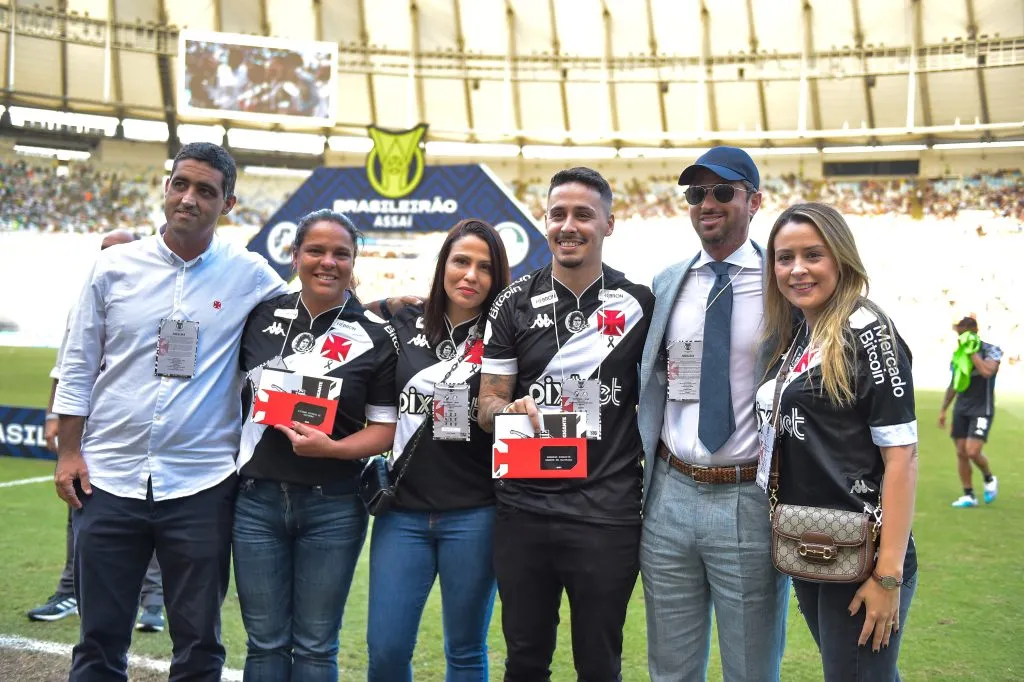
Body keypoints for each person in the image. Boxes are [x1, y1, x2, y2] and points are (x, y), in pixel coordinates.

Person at [52, 142, 289, 681]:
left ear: (227, 204)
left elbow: (308, 313)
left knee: (200, 643)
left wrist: (387, 306)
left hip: (201, 485)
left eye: (206, 191)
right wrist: (69, 452)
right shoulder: (111, 268)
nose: (189, 199)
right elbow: (79, 363)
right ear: (165, 187)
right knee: (98, 639)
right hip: (108, 480)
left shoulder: (249, 273)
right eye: (181, 184)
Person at [478, 167, 654, 681]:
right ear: (545, 222)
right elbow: (488, 401)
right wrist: (504, 411)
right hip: (523, 510)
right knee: (525, 659)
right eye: (558, 214)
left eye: (583, 214)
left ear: (609, 224)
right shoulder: (512, 302)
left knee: (600, 664)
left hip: (606, 514)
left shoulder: (638, 304)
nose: (569, 225)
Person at [637, 146, 788, 681]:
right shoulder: (666, 283)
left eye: (723, 191)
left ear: (755, 201)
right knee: (670, 670)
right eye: (697, 193)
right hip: (669, 494)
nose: (708, 202)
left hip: (749, 496)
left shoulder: (784, 283)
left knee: (750, 670)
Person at [231, 208, 399, 682]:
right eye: (316, 251)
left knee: (315, 647)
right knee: (264, 645)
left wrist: (334, 450)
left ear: (354, 261)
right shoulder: (260, 314)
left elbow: (383, 430)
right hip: (255, 501)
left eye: (340, 253)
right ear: (295, 255)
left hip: (335, 506)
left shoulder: (375, 335)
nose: (328, 262)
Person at [755, 202, 918, 680]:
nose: (797, 269)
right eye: (784, 258)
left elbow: (902, 459)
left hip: (863, 553)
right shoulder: (801, 331)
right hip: (812, 542)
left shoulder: (868, 332)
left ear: (841, 259)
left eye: (813, 255)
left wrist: (887, 574)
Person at [366, 218, 511, 681]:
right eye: (461, 261)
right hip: (401, 513)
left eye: (484, 267)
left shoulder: (506, 334)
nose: (470, 275)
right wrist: (383, 300)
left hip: (475, 515)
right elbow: (343, 315)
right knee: (386, 650)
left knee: (466, 650)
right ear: (442, 265)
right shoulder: (402, 319)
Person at [30, 229, 167, 634]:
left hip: (146, 435)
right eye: (104, 250)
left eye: (119, 250)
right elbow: (67, 366)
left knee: (157, 509)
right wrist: (54, 417)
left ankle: (153, 600)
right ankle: (71, 590)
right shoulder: (87, 298)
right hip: (92, 435)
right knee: (81, 512)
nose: (110, 258)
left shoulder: (164, 299)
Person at [939, 316, 1001, 507]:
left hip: (982, 409)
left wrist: (973, 353)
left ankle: (989, 478)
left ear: (974, 331)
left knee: (972, 451)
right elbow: (954, 384)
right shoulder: (958, 354)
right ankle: (969, 495)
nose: (960, 337)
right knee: (961, 452)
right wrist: (943, 409)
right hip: (961, 409)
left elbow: (987, 371)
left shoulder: (991, 350)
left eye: (963, 333)